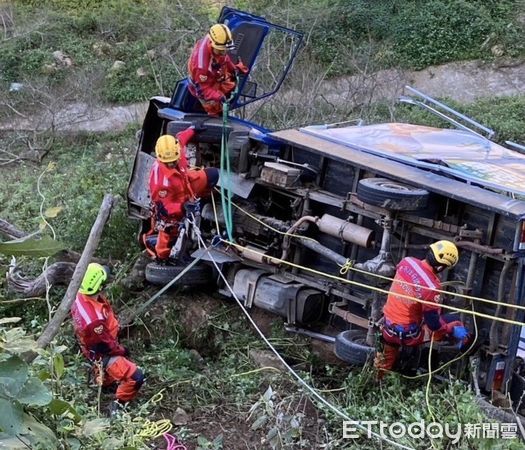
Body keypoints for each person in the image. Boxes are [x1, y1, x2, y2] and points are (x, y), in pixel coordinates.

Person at [374, 240, 470, 379]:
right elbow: (434, 324)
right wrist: (451, 330)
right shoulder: (432, 288)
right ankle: (453, 367)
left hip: (387, 328)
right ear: (440, 267)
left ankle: (379, 378)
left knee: (384, 360)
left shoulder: (407, 262)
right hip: (409, 336)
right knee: (453, 322)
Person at [71, 263, 144, 412]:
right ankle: (118, 405)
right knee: (136, 377)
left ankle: (106, 383)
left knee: (104, 369)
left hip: (95, 344)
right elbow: (105, 346)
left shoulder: (80, 296)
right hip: (102, 351)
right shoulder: (94, 320)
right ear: (99, 285)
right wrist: (122, 350)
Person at [148, 125, 219, 261]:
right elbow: (164, 207)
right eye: (168, 163)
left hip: (187, 183)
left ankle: (205, 202)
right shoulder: (159, 182)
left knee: (212, 175)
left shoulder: (175, 150)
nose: (171, 165)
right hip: (174, 203)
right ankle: (162, 256)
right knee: (169, 228)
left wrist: (192, 130)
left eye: (174, 161)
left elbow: (180, 139)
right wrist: (182, 207)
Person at [188, 23, 249, 116]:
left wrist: (233, 69)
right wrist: (219, 96)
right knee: (214, 110)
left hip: (214, 76)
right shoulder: (201, 66)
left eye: (225, 49)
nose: (224, 52)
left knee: (228, 85)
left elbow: (224, 58)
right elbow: (202, 90)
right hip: (202, 87)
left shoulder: (217, 42)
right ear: (212, 45)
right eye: (221, 50)